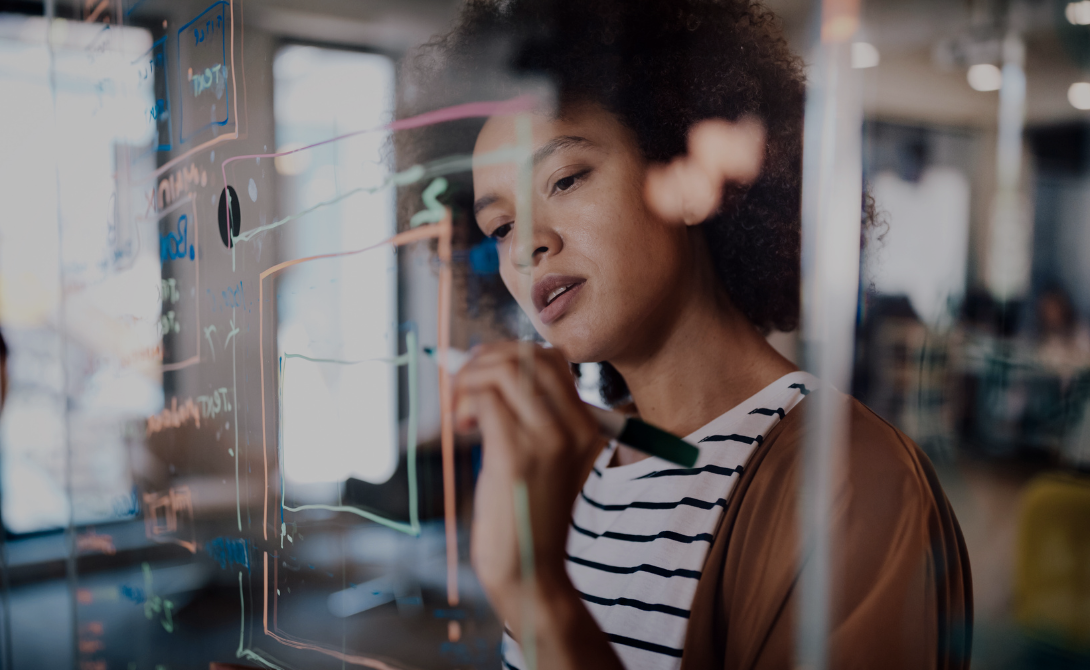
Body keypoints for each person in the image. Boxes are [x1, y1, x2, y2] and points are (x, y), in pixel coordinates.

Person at [399, 1, 973, 668]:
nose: (527, 244)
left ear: (689, 180)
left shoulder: (850, 481)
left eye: (566, 178)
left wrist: (539, 599)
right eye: (499, 227)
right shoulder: (572, 466)